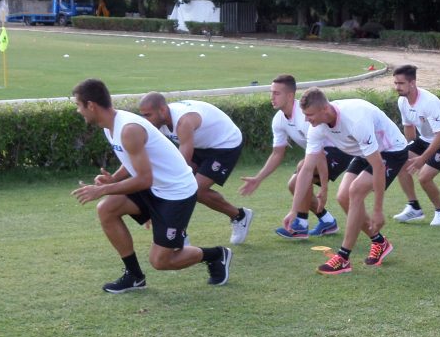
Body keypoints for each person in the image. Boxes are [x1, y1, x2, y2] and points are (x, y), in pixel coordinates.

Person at [69, 79, 232, 292]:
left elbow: (144, 179)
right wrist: (113, 180)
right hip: (154, 187)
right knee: (107, 209)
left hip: (177, 192)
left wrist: (101, 190)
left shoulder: (128, 129)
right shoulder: (110, 127)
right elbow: (134, 163)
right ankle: (134, 276)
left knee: (161, 261)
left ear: (91, 105)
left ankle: (217, 255)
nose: (78, 111)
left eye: (79, 105)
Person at [283, 87, 408, 275]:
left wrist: (378, 210)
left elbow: (378, 166)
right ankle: (380, 243)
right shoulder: (316, 127)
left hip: (392, 151)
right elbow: (307, 170)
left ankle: (343, 258)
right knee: (343, 197)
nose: (307, 120)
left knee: (355, 191)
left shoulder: (356, 119)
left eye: (310, 115)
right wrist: (294, 210)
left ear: (325, 109)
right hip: (363, 151)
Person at [238, 74, 350, 238]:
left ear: (290, 96)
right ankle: (327, 221)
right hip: (318, 155)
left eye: (277, 93)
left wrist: (324, 187)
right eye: (271, 92)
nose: (272, 97)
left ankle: (301, 225)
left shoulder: (305, 115)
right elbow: (277, 154)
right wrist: (258, 178)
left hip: (339, 151)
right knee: (294, 185)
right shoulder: (278, 120)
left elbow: (318, 154)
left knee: (300, 172)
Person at [138, 93, 254, 245]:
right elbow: (146, 153)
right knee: (180, 187)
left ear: (162, 110)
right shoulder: (157, 123)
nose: (145, 120)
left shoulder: (184, 122)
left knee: (196, 189)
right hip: (200, 144)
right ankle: (179, 232)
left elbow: (181, 167)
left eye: (148, 115)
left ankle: (239, 216)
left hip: (225, 144)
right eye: (143, 116)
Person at [390, 64, 440, 226]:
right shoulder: (402, 101)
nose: (397, 87)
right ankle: (414, 207)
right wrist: (408, 150)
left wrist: (422, 159)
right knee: (400, 162)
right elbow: (408, 127)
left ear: (412, 83)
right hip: (426, 138)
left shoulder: (429, 102)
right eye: (395, 83)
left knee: (424, 178)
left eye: (400, 83)